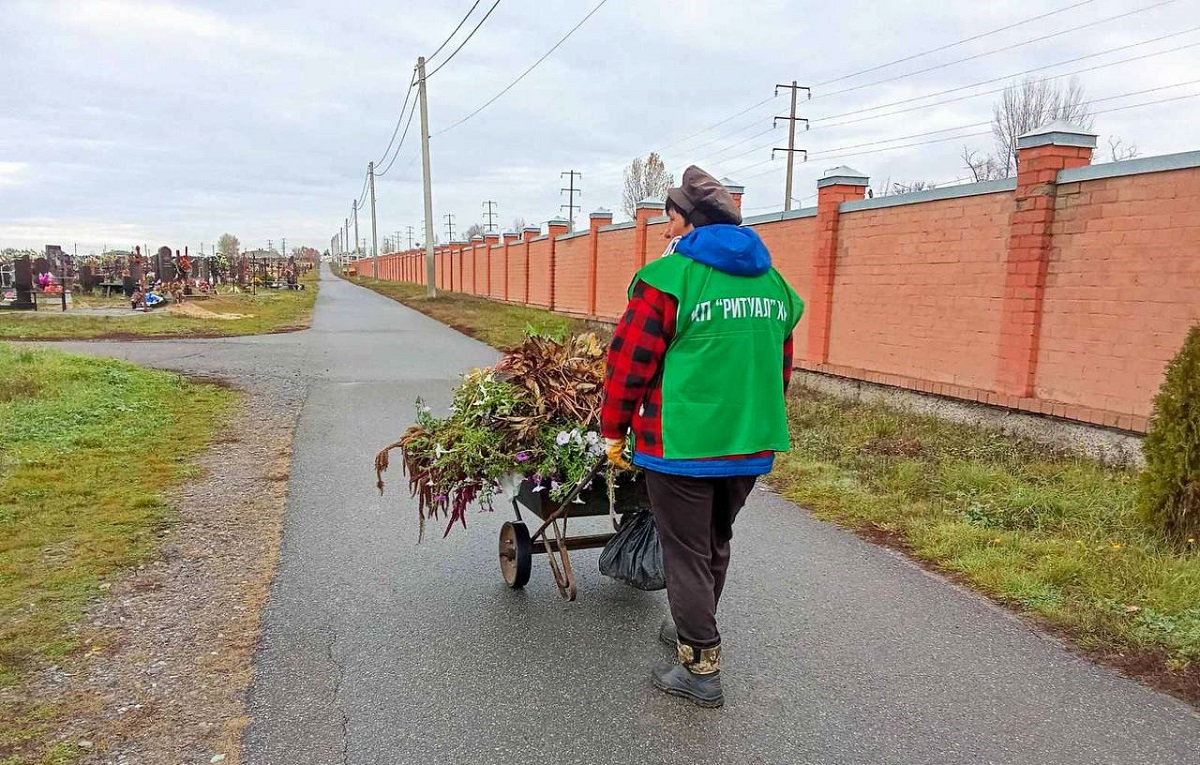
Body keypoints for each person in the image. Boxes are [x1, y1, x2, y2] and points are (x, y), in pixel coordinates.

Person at [601, 165, 802, 708]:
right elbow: (778, 369)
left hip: (683, 443)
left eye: (669, 219)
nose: (665, 231)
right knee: (715, 541)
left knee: (685, 551)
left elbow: (628, 365)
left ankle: (700, 667)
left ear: (690, 223)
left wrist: (613, 431)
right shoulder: (774, 284)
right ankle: (693, 625)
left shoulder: (669, 281)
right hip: (751, 441)